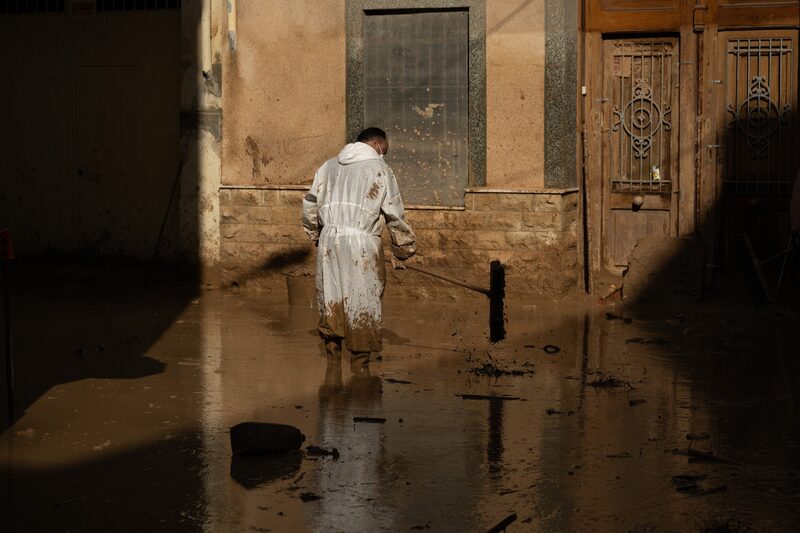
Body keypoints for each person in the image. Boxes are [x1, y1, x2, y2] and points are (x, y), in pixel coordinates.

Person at [302, 127, 416, 370]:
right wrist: (403, 249)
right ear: (376, 143)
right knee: (363, 300)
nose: (383, 155)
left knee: (331, 297)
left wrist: (315, 233)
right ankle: (360, 368)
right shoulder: (380, 170)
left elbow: (310, 202)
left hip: (329, 241)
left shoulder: (328, 166)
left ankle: (333, 365)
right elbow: (394, 212)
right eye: (383, 150)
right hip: (363, 243)